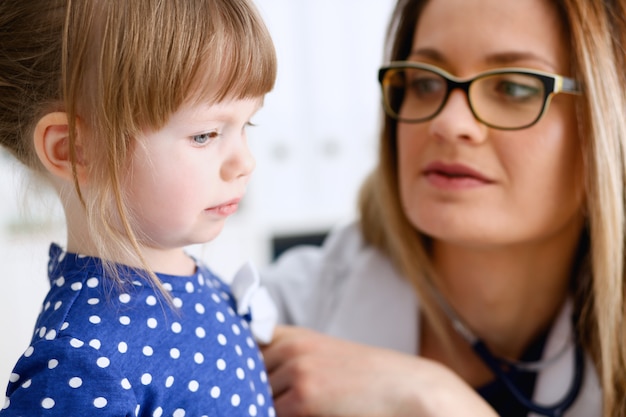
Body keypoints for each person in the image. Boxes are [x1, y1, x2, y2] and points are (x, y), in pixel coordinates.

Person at [260, 0, 626, 416]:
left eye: (514, 87)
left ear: (610, 119)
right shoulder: (271, 321)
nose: (449, 124)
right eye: (424, 82)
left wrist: (438, 402)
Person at [0, 1, 277, 416]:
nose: (245, 162)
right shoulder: (84, 359)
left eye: (246, 125)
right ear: (75, 150)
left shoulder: (190, 280)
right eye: (205, 135)